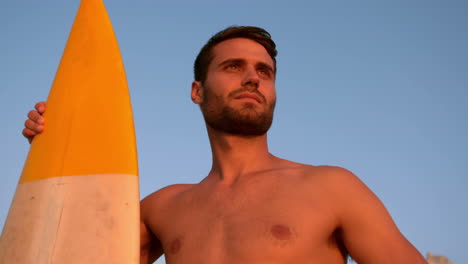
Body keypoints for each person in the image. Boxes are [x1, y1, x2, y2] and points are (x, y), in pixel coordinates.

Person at [22, 26, 427, 264]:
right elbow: (74, 251)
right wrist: (52, 147)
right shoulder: (162, 208)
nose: (253, 78)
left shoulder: (331, 188)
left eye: (264, 72)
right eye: (234, 67)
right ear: (197, 91)